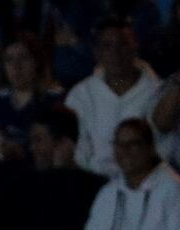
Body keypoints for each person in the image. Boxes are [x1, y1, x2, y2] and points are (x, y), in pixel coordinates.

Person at [69, 119, 180, 230]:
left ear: (150, 148)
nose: (125, 151)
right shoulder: (109, 192)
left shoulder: (172, 189)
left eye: (133, 144)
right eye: (119, 145)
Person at [65, 16, 163, 177]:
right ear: (97, 52)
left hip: (145, 183)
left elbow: (163, 147)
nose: (115, 53)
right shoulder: (81, 95)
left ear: (135, 46)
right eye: (107, 46)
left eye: (123, 44)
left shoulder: (157, 92)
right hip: (92, 183)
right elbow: (77, 147)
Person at [0, 33, 63, 182]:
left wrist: (22, 150)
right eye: (9, 60)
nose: (16, 66)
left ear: (36, 61)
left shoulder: (53, 99)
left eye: (24, 58)